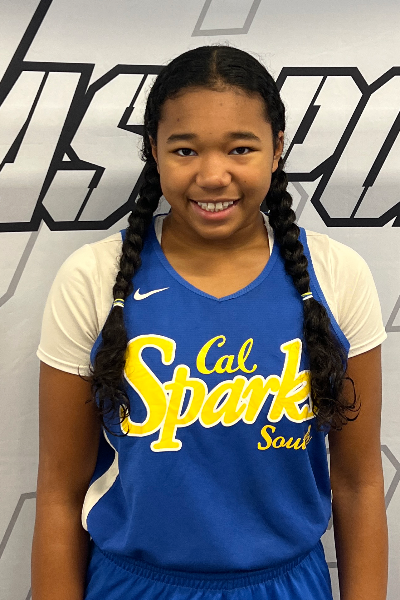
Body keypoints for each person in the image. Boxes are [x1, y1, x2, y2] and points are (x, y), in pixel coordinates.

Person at [31, 45, 388, 600]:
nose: (213, 175)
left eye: (240, 148)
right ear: (153, 151)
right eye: (185, 149)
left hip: (288, 586)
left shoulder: (337, 276)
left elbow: (359, 483)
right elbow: (60, 488)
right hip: (132, 586)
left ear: (277, 149)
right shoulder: (94, 278)